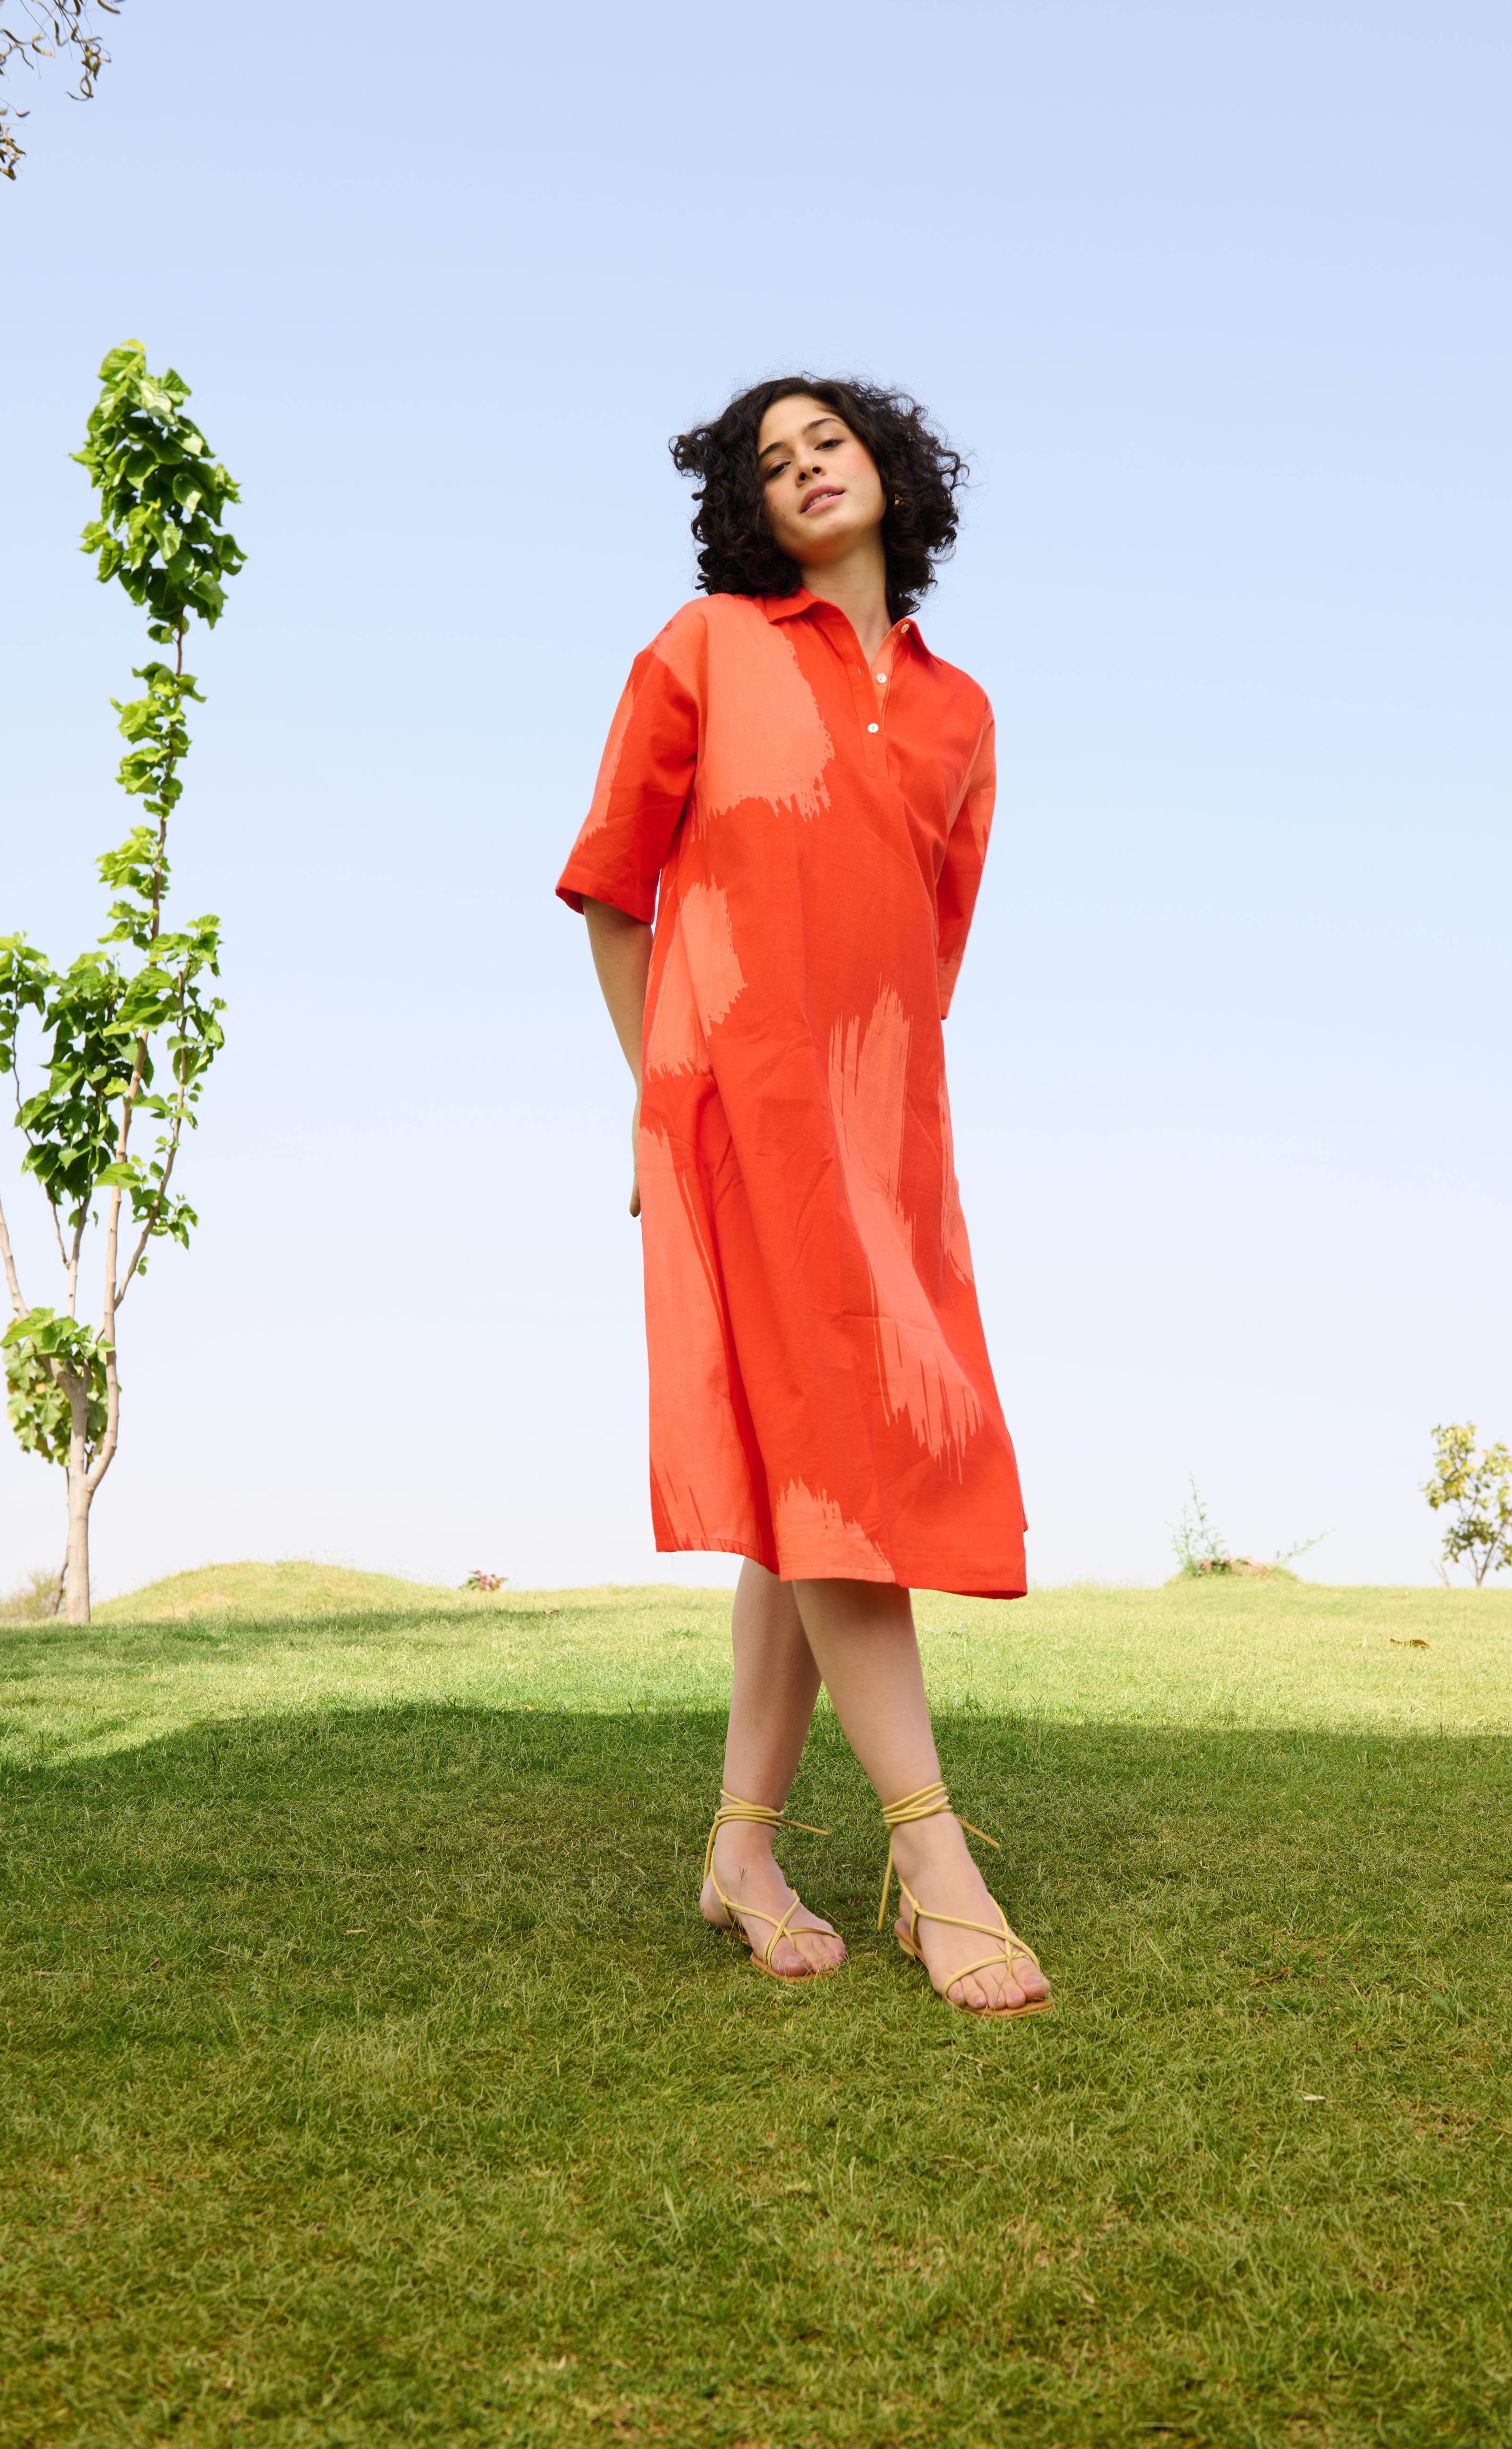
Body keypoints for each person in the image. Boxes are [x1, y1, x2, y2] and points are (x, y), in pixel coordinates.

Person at [556, 376, 1049, 2018]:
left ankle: (743, 1849)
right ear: (747, 512)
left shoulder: (963, 714)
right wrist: (659, 1105)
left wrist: (879, 1121)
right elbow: (611, 890)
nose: (804, 467)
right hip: (735, 1111)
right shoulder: (704, 647)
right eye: (769, 462)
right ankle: (932, 1853)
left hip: (886, 1130)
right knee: (836, 1450)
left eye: (825, 439)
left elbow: (928, 950)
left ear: (888, 466)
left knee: (810, 1465)